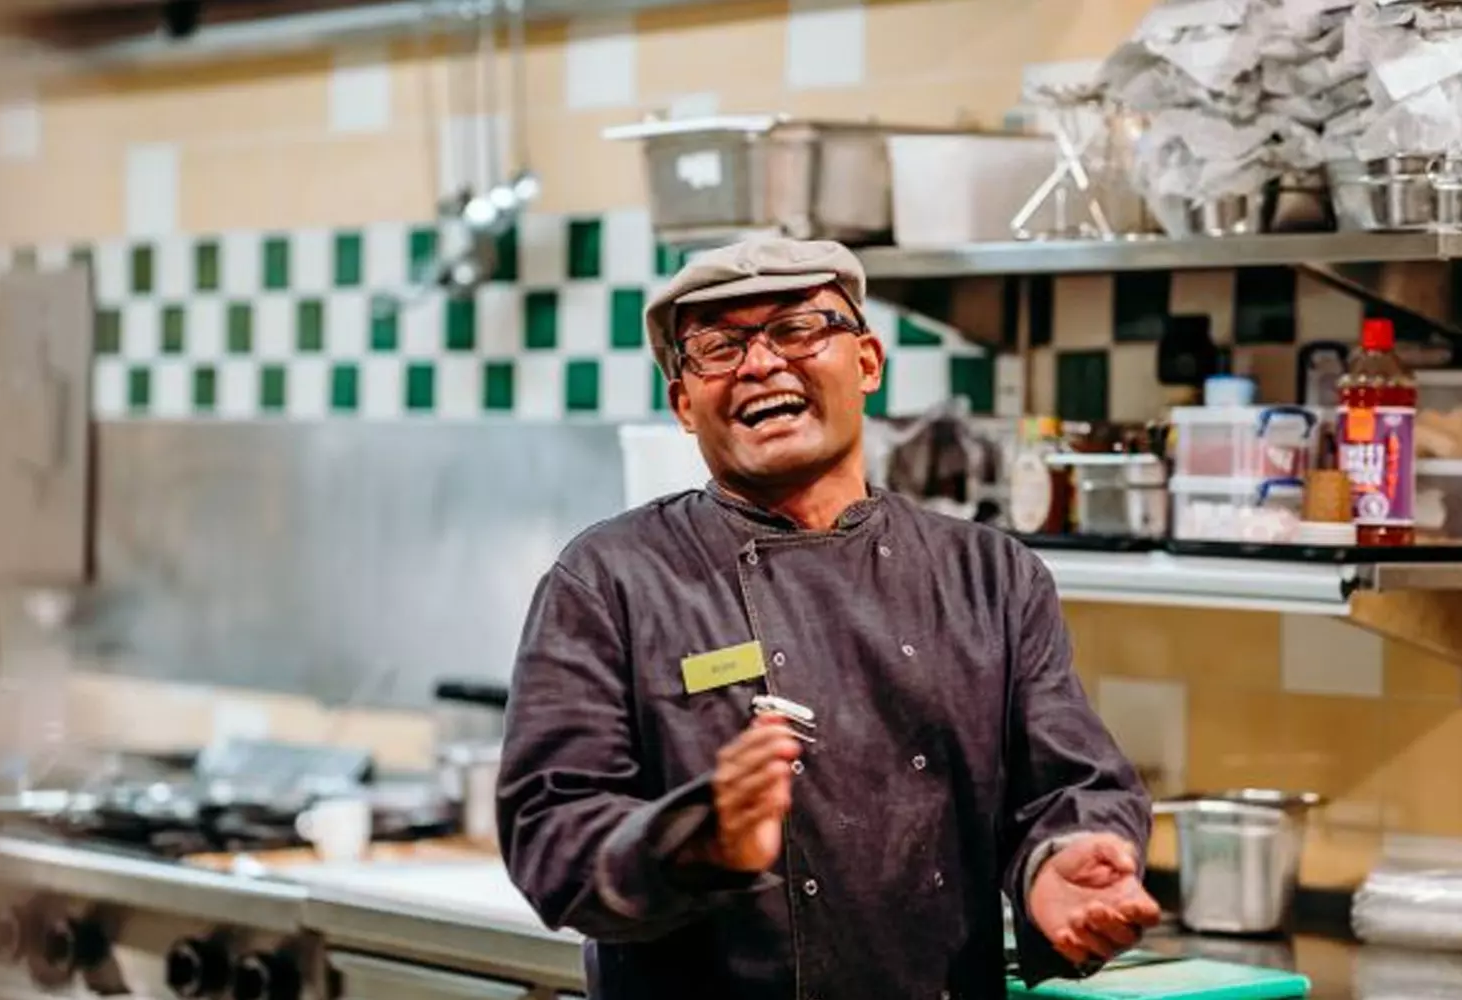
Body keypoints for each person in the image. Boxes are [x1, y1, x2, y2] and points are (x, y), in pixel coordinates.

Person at [496, 236, 1161, 1000]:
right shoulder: (612, 579)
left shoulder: (990, 575)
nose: (760, 364)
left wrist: (1062, 861)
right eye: (717, 348)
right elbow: (550, 835)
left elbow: (1069, 784)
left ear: (869, 362)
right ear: (684, 403)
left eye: (798, 329)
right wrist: (691, 839)